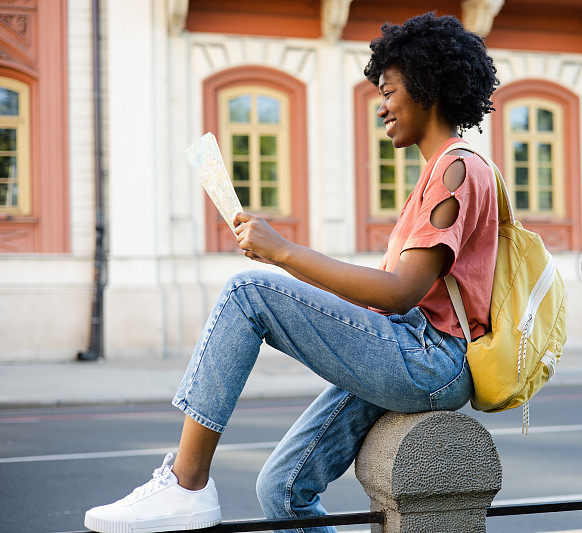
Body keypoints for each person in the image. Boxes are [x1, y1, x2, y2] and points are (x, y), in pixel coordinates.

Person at [84, 11, 500, 533]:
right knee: (282, 488)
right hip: (412, 349)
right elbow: (392, 301)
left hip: (431, 362)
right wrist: (297, 281)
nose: (382, 106)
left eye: (390, 90)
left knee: (248, 292)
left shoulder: (456, 169)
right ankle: (190, 487)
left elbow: (398, 294)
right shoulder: (440, 174)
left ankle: (186, 484)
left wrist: (283, 253)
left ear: (427, 88)